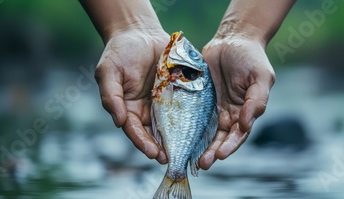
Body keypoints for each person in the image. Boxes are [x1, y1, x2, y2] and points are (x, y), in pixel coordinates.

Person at [80, 0, 295, 170]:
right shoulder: (173, 72)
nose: (183, 47)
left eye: (190, 53)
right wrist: (128, 27)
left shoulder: (173, 73)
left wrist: (247, 34)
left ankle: (176, 171)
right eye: (191, 54)